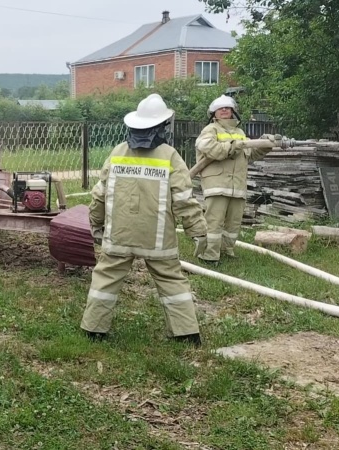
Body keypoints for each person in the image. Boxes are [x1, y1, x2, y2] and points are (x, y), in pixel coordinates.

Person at [81, 94, 208, 346]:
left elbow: (99, 196)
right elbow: (184, 200)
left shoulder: (117, 152)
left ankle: (93, 329)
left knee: (105, 279)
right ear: (161, 127)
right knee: (171, 280)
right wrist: (198, 231)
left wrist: (95, 223)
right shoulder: (170, 156)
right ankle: (186, 333)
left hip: (118, 235)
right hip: (158, 239)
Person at [194, 95, 275, 265]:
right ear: (213, 112)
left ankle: (227, 251)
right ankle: (209, 255)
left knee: (233, 222)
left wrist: (264, 145)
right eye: (221, 108)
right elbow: (210, 149)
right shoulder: (210, 130)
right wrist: (232, 146)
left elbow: (249, 155)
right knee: (214, 222)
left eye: (228, 108)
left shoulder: (240, 133)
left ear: (233, 111)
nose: (224, 110)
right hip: (216, 184)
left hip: (237, 185)